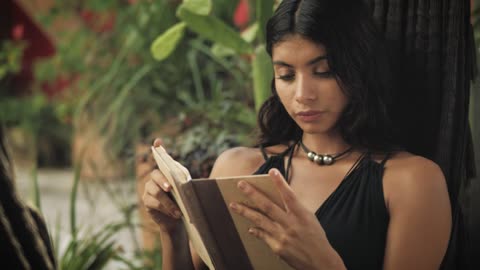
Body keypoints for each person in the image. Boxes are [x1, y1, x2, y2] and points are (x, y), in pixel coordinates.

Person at [142, 0, 452, 269]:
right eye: (286, 75)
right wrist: (173, 231)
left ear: (360, 69)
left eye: (324, 71)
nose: (303, 94)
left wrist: (322, 261)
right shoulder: (236, 168)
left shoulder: (411, 182)